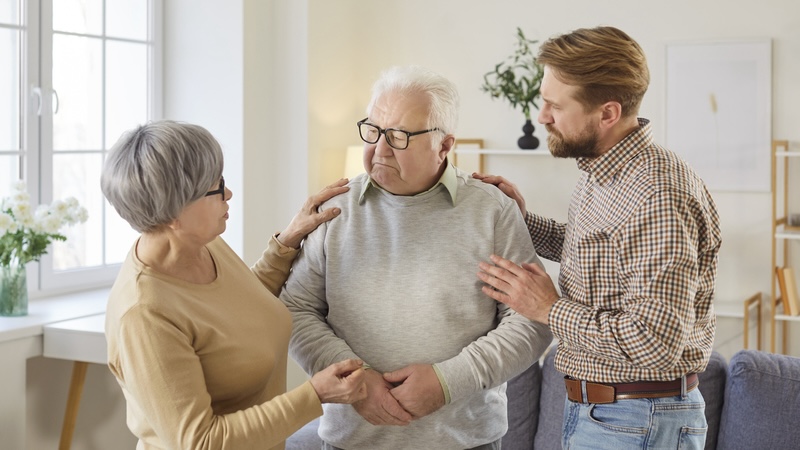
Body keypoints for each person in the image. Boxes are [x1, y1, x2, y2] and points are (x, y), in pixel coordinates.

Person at [279, 65, 552, 450]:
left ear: (444, 145)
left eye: (400, 136)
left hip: (466, 441)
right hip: (351, 442)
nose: (380, 148)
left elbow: (530, 321)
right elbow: (295, 310)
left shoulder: (492, 210)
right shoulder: (333, 210)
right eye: (373, 131)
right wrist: (358, 382)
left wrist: (447, 382)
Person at [475, 26, 722, 449]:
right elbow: (601, 254)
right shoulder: (606, 172)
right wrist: (523, 220)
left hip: (638, 421)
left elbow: (655, 342)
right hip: (611, 416)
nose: (542, 116)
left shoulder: (657, 195)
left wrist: (549, 308)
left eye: (554, 105)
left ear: (607, 113)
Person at [101, 120, 367, 450]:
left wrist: (287, 241)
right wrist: (315, 395)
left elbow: (236, 312)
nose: (228, 193)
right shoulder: (143, 315)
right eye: (216, 188)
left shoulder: (199, 244)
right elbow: (200, 441)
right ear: (174, 213)